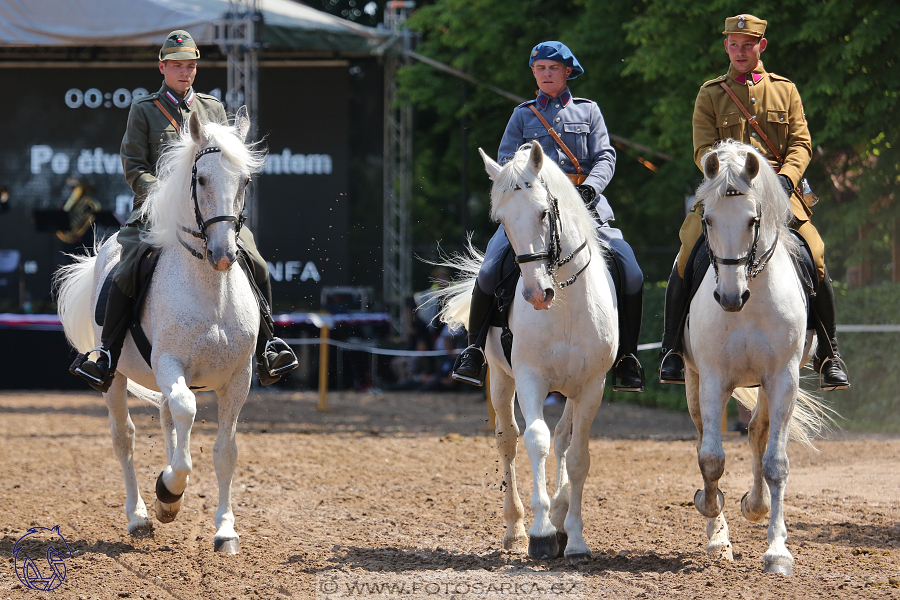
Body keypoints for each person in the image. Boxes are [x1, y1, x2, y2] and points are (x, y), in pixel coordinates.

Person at [72, 30, 297, 392]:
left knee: (256, 261)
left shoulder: (213, 109)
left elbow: (225, 164)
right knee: (126, 268)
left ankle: (268, 347)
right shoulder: (144, 110)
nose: (184, 72)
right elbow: (133, 165)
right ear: (162, 67)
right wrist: (163, 196)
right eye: (177, 65)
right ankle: (107, 355)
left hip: (209, 213)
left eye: (190, 66)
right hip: (155, 213)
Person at [658, 15, 850, 390]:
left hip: (779, 193)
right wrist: (723, 174)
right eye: (733, 44)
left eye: (748, 44)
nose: (740, 51)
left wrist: (785, 179)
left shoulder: (785, 90)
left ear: (761, 46)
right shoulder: (710, 93)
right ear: (726, 46)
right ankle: (672, 351)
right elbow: (702, 149)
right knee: (685, 256)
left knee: (816, 252)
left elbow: (801, 143)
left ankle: (830, 354)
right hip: (727, 194)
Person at [451, 41, 645, 392]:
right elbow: (509, 164)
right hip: (531, 214)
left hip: (585, 210)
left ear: (567, 72)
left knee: (631, 270)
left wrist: (589, 189)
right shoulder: (523, 115)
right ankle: (474, 350)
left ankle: (628, 358)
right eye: (539, 68)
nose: (545, 74)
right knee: (490, 268)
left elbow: (606, 156)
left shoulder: (589, 112)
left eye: (552, 68)